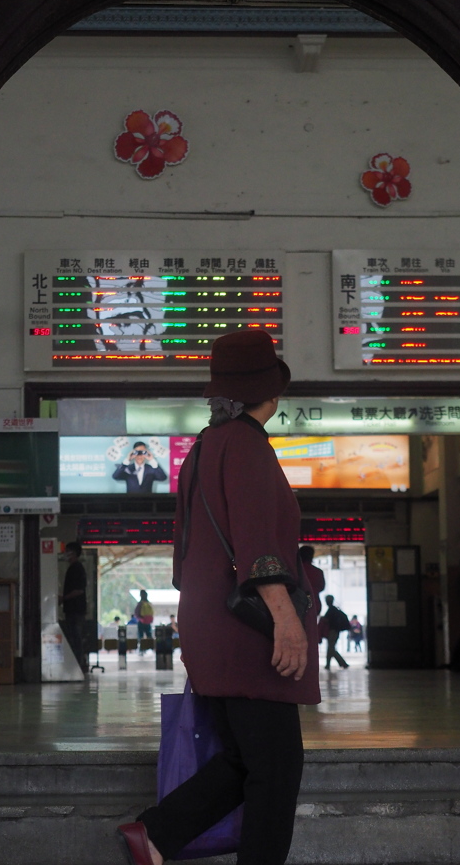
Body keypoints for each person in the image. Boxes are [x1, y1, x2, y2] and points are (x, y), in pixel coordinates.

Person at [117, 328, 319, 865]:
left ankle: (155, 835)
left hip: (213, 625)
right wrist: (286, 619)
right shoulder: (247, 446)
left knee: (248, 759)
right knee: (277, 769)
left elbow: (186, 549)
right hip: (249, 631)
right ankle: (157, 834)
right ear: (270, 393)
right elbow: (257, 543)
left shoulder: (204, 447)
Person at [58, 541, 88, 673]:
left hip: (76, 610)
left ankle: (77, 665)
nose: (65, 554)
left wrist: (63, 598)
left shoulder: (77, 568)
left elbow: (79, 590)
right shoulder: (72, 568)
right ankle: (76, 664)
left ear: (74, 553)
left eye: (67, 551)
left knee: (76, 638)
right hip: (71, 609)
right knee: (73, 637)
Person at [323, 595, 350, 671]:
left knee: (331, 648)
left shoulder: (331, 611)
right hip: (335, 631)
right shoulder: (334, 610)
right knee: (330, 648)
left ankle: (342, 663)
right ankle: (329, 664)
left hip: (332, 631)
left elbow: (327, 621)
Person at [298, 545, 325, 617]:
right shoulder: (318, 572)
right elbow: (322, 587)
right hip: (315, 603)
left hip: (298, 603)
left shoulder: (295, 571)